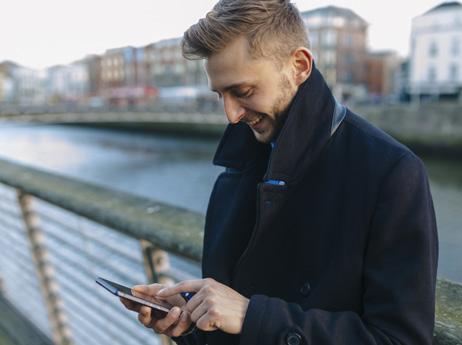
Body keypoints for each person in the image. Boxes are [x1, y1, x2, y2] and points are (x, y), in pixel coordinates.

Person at [121, 1, 439, 344]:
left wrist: (251, 316)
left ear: (299, 66)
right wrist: (190, 321)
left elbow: (400, 338)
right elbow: (233, 320)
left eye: (243, 92)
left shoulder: (391, 173)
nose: (231, 115)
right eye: (221, 95)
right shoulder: (236, 168)